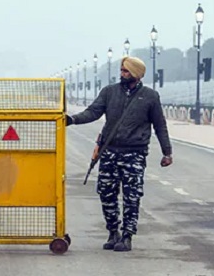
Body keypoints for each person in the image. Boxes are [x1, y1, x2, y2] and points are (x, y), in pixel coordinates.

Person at [65, 56, 173, 252]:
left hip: (134, 154)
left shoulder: (150, 96)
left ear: (136, 74)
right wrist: (73, 119)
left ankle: (127, 236)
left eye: (126, 71)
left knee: (132, 197)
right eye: (121, 70)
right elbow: (93, 112)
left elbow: (160, 126)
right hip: (110, 152)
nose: (122, 74)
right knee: (106, 194)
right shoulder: (109, 92)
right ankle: (113, 231)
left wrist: (167, 152)